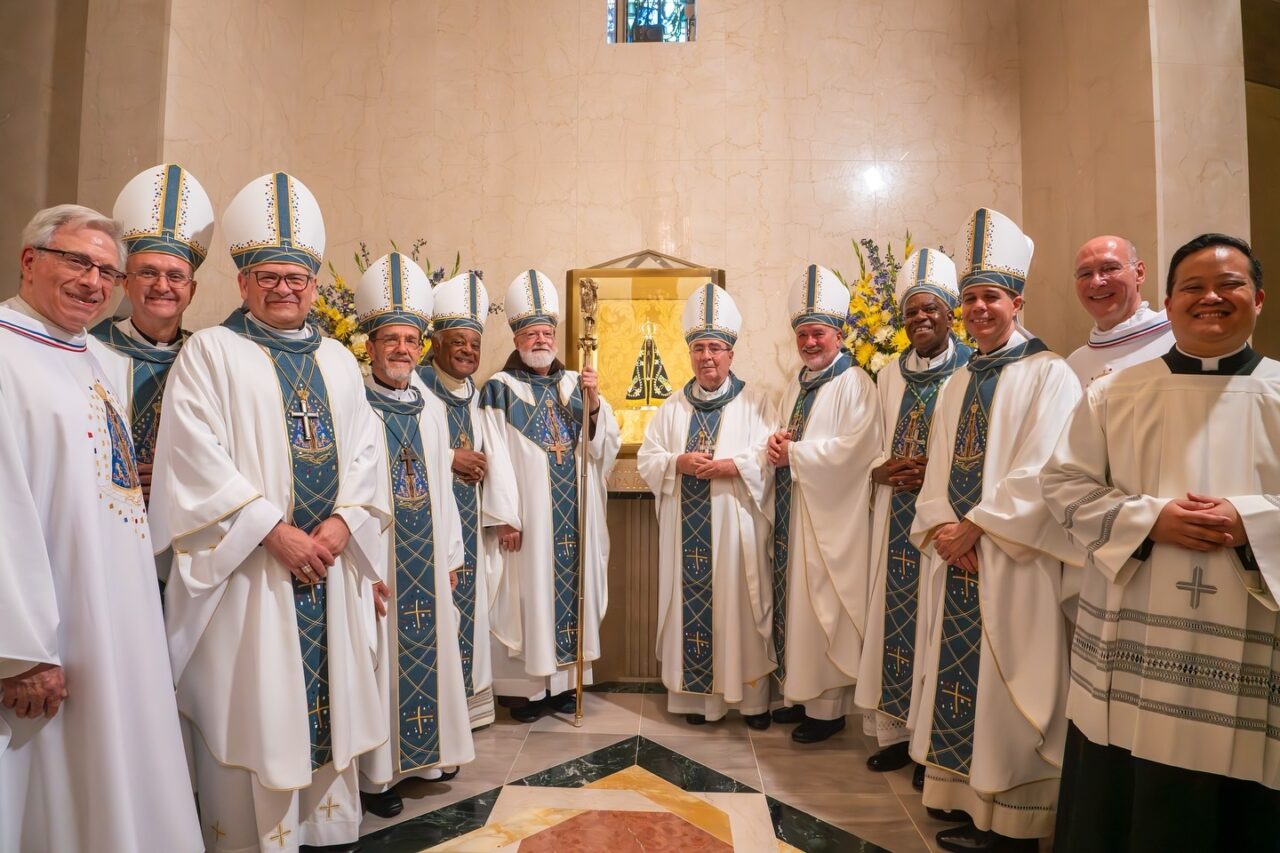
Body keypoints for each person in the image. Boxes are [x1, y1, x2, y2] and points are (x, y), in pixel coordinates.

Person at [149, 172, 388, 853]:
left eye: (296, 278)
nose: (284, 289)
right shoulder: (210, 354)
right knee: (253, 707)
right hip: (251, 577)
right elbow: (194, 459)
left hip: (328, 570)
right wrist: (273, 533)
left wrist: (342, 525)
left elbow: (367, 454)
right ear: (243, 282)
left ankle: (326, 829)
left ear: (315, 285)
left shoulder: (342, 361)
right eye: (268, 276)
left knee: (326, 708)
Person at [1042, 233, 1279, 852]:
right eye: (1193, 287)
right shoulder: (1113, 393)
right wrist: (1148, 521)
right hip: (1131, 646)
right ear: (1169, 304)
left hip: (1251, 645)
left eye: (1228, 285)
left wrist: (1251, 521)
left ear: (1258, 297)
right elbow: (1063, 485)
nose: (1210, 298)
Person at [0, 205, 201, 852]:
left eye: (106, 271)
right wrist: (20, 647)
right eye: (77, 261)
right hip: (45, 636)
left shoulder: (98, 358)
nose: (93, 281)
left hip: (116, 621)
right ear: (31, 261)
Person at [908, 208, 1082, 852]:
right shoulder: (957, 381)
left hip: (1014, 558)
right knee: (958, 676)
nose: (980, 308)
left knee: (1010, 681)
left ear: (1018, 301)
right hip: (960, 555)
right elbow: (937, 474)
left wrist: (975, 529)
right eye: (972, 298)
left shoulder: (1049, 374)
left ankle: (1013, 821)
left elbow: (1046, 469)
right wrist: (944, 530)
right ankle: (963, 796)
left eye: (992, 297)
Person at [353, 253, 473, 820]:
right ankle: (378, 776)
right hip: (378, 560)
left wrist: (450, 553)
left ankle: (425, 759)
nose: (402, 349)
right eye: (391, 339)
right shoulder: (353, 402)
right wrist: (362, 567)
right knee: (378, 662)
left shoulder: (428, 407)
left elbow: (443, 486)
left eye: (410, 339)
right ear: (370, 345)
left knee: (431, 650)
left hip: (425, 556)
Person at [479, 269, 620, 720]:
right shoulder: (499, 390)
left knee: (565, 594)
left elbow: (603, 448)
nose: (540, 340)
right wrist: (505, 516)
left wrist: (595, 405)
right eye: (531, 333)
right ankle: (526, 692)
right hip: (529, 522)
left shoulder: (577, 383)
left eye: (546, 332)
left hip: (573, 521)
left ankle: (562, 686)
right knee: (528, 598)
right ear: (517, 337)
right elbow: (494, 454)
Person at [638, 284, 776, 729]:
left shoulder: (758, 402)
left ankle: (749, 702)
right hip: (686, 537)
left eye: (716, 347)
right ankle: (695, 701)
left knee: (739, 608)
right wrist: (677, 462)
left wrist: (732, 466)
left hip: (737, 537)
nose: (707, 357)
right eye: (699, 348)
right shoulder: (673, 408)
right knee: (691, 605)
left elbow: (771, 457)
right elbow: (648, 457)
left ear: (731, 353)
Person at [856, 248, 971, 781]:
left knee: (936, 630)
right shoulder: (887, 376)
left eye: (931, 310)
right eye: (910, 312)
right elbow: (871, 444)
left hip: (945, 523)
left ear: (952, 313)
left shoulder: (973, 368)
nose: (920, 319)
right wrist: (882, 469)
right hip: (893, 519)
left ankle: (934, 746)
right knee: (895, 624)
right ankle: (901, 736)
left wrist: (935, 475)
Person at [767, 264, 883, 744]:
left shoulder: (854, 384)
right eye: (802, 335)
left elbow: (855, 451)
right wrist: (776, 444)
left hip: (828, 517)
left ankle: (828, 709)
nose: (810, 343)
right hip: (795, 512)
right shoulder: (798, 384)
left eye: (818, 334)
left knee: (820, 606)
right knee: (796, 605)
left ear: (838, 334)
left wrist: (793, 454)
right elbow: (786, 435)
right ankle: (802, 694)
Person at [418, 271, 518, 730]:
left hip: (471, 531)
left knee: (467, 617)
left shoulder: (475, 395)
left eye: (474, 344)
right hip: (425, 532)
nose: (467, 351)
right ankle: (434, 714)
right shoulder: (412, 390)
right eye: (457, 341)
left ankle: (467, 713)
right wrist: (448, 458)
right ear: (434, 342)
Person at [87, 164, 215, 504]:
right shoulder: (89, 352)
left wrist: (173, 472)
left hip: (183, 521)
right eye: (148, 273)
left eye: (176, 276)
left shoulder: (208, 360)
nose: (162, 286)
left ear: (192, 289)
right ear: (124, 282)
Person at [1065, 235, 1173, 387]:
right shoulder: (1074, 364)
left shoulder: (1178, 342)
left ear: (1139, 273)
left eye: (1109, 268)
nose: (1096, 282)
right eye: (1085, 273)